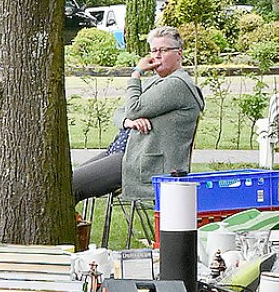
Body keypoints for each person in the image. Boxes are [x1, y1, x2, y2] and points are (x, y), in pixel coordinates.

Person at [71, 26, 204, 201]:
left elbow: (133, 108)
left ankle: (69, 228)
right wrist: (128, 122)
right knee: (65, 183)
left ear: (178, 53)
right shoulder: (155, 82)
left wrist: (136, 73)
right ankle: (72, 226)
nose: (156, 55)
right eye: (154, 50)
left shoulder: (177, 84)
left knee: (72, 186)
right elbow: (120, 112)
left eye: (164, 50)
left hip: (143, 163)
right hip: (124, 152)